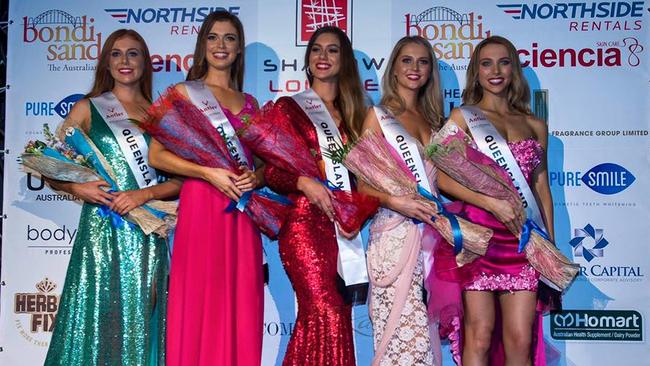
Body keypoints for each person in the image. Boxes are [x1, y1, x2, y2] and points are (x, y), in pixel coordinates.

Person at [44, 29, 181, 365]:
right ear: (106, 61)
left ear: (145, 63)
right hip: (101, 230)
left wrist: (143, 194)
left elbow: (180, 180)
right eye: (116, 54)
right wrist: (79, 188)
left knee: (141, 318)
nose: (125, 61)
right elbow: (49, 165)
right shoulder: (88, 108)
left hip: (146, 230)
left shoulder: (160, 115)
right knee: (99, 316)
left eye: (133, 53)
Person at [147, 11, 264, 366]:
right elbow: (157, 155)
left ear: (239, 47)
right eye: (213, 37)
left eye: (229, 38)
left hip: (240, 210)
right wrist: (206, 173)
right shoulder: (183, 93)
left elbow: (260, 163)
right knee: (200, 296)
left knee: (239, 299)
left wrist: (255, 178)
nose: (221, 46)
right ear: (202, 45)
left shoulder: (251, 103)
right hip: (201, 205)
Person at [437, 35, 555, 366]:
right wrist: (488, 202)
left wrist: (550, 244)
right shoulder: (463, 118)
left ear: (513, 69)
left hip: (524, 241)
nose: (495, 71)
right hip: (480, 239)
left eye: (503, 62)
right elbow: (441, 177)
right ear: (476, 72)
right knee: (480, 334)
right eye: (486, 63)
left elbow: (541, 187)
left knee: (520, 339)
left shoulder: (535, 125)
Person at [262, 26, 367, 366]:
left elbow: (368, 180)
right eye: (317, 50)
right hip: (305, 225)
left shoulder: (357, 116)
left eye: (332, 50)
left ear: (344, 59)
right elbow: (272, 173)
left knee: (335, 316)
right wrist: (305, 183)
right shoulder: (289, 108)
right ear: (307, 60)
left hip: (344, 230)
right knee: (322, 311)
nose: (323, 57)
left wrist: (357, 214)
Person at [357, 35, 443, 366]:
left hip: (433, 239)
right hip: (393, 236)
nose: (414, 68)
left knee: (426, 340)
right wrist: (398, 202)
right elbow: (363, 186)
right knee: (402, 340)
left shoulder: (436, 121)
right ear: (394, 68)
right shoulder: (377, 116)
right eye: (407, 60)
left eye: (422, 62)